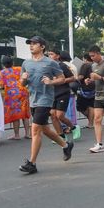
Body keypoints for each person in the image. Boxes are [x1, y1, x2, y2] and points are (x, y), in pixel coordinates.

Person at [19, 36, 74, 174]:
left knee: (35, 129)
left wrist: (51, 82)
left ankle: (32, 163)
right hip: (33, 99)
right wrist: (23, 80)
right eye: (30, 44)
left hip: (45, 99)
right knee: (45, 129)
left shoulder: (51, 63)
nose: (31, 46)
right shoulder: (26, 63)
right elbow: (22, 83)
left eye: (34, 44)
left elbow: (62, 79)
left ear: (42, 47)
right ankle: (66, 145)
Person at [47, 48, 77, 141]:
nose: (49, 56)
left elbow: (72, 78)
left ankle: (73, 127)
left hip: (63, 92)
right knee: (52, 115)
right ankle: (60, 135)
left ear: (57, 56)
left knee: (59, 115)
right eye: (48, 54)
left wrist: (61, 80)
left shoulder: (62, 66)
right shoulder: (47, 66)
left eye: (51, 54)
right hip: (52, 93)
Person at [0, 55, 31, 140]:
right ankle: (27, 134)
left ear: (3, 64)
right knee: (25, 113)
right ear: (12, 62)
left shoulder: (2, 72)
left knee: (15, 114)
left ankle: (17, 135)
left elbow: (1, 84)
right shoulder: (19, 68)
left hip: (11, 94)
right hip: (23, 92)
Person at [76, 54, 95, 129]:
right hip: (94, 88)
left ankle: (90, 119)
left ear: (85, 59)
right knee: (91, 106)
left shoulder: (85, 65)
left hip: (85, 88)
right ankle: (91, 123)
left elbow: (81, 76)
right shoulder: (94, 65)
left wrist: (75, 78)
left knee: (80, 107)